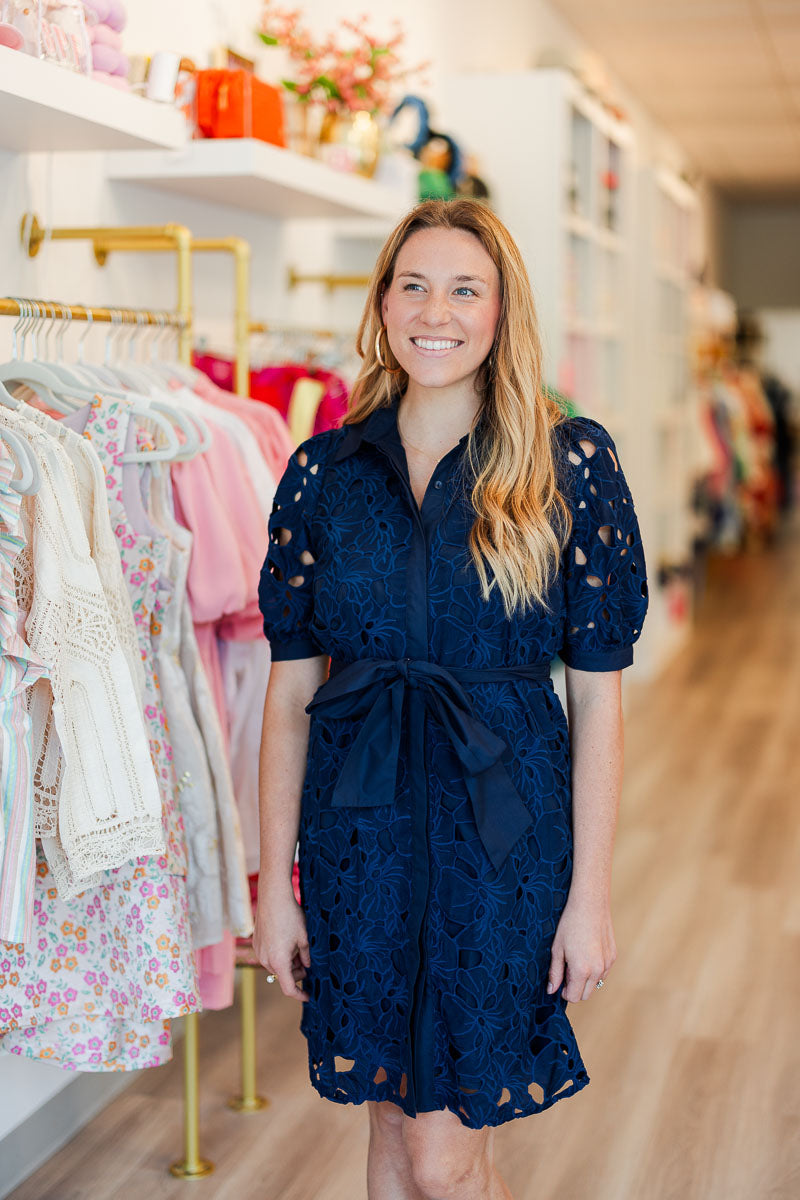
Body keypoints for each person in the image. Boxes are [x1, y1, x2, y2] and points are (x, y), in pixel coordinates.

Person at [254, 198, 649, 1200]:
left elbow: (598, 702)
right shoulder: (321, 475)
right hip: (359, 845)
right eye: (413, 284)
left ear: (499, 309)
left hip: (502, 849)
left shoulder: (571, 466)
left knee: (442, 1146)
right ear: (383, 302)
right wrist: (270, 887)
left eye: (464, 288)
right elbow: (288, 690)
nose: (436, 310)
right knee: (392, 1107)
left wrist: (588, 898)